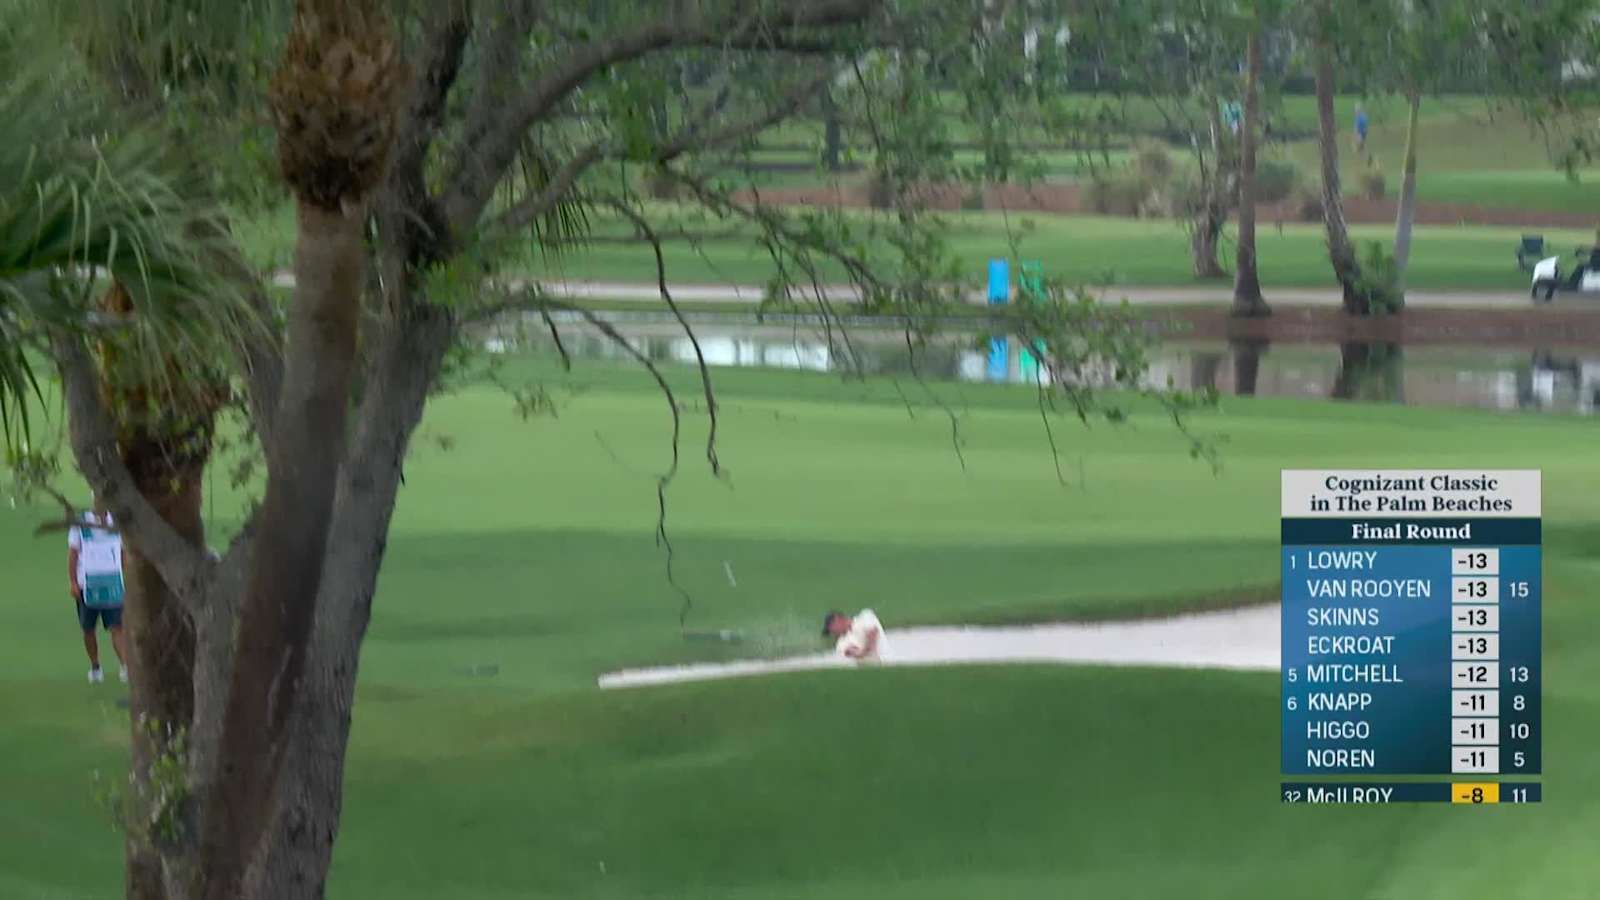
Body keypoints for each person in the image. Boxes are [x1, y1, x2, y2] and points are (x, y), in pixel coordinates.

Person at [68, 503, 127, 684]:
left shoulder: (117, 521)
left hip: (113, 584)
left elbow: (123, 553)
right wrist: (73, 582)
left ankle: (125, 666)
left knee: (117, 628)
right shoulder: (80, 523)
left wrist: (126, 578)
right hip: (87, 585)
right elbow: (73, 554)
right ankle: (95, 666)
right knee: (88, 629)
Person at [822, 609, 888, 662]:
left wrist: (866, 649)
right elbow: (854, 652)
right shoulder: (841, 643)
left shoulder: (864, 618)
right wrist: (865, 650)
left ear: (838, 620)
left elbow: (873, 631)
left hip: (886, 659)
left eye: (832, 629)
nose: (832, 633)